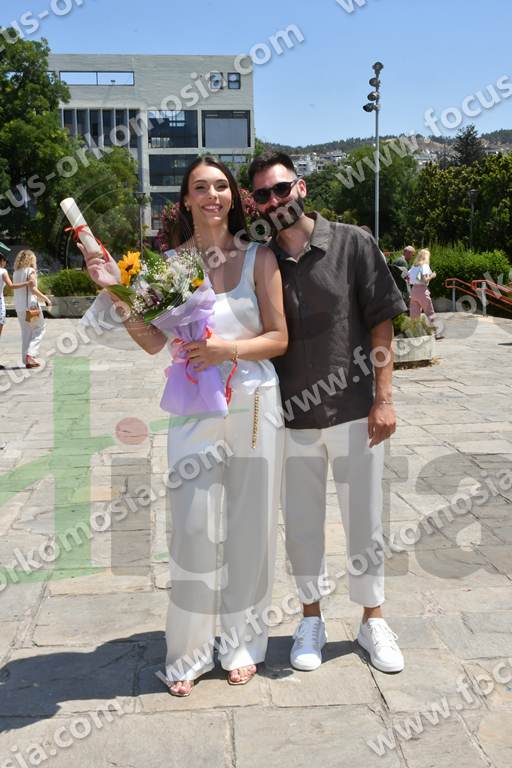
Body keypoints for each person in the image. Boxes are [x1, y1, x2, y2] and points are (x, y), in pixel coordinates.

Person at [79, 156, 288, 697]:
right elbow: (153, 342)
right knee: (192, 527)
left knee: (251, 526)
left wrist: (226, 350)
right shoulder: (168, 264)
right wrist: (115, 290)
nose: (212, 195)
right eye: (201, 187)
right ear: (187, 199)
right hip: (193, 406)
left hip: (253, 402)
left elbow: (279, 338)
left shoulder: (260, 256)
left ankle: (242, 644)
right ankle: (189, 653)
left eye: (221, 186)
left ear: (233, 196)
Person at [248, 151, 407, 674]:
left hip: (355, 410)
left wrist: (384, 398)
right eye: (263, 195)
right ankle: (310, 619)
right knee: (301, 527)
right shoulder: (260, 260)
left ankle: (372, 619)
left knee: (365, 521)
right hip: (291, 418)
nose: (274, 200)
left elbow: (382, 322)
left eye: (281, 188)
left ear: (302, 188)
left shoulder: (352, 242)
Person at [12, 250, 51, 368]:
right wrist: (46, 298)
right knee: (40, 328)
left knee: (26, 331)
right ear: (31, 259)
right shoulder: (30, 271)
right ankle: (31, 354)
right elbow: (33, 289)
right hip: (31, 306)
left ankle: (26, 360)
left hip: (19, 307)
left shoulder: (15, 273)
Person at [0, 253, 35, 367]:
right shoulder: (3, 271)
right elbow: (11, 286)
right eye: (5, 261)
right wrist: (27, 283)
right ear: (2, 261)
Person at [407, 248, 443, 338]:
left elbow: (407, 278)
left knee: (414, 315)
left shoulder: (413, 266)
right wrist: (432, 275)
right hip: (422, 290)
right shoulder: (425, 266)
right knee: (430, 313)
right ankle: (437, 333)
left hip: (413, 291)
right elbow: (425, 279)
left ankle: (414, 334)